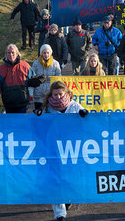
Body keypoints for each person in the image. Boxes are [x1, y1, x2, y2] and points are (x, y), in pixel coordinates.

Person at [38, 81, 88, 221]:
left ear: (66, 93)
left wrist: (83, 113)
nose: (58, 97)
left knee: (71, 177)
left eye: (61, 94)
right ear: (51, 94)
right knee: (55, 179)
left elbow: (83, 113)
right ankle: (59, 214)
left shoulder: (73, 105)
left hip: (71, 149)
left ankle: (68, 198)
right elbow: (39, 122)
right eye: (55, 94)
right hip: (53, 148)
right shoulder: (48, 107)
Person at [0, 44, 45, 113]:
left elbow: (32, 81)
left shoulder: (25, 66)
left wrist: (37, 81)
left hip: (22, 104)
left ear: (17, 53)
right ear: (6, 54)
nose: (11, 55)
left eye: (13, 52)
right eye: (8, 53)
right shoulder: (1, 69)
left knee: (21, 123)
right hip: (8, 105)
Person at [32, 44, 62, 110]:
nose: (46, 55)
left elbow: (58, 78)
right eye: (44, 53)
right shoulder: (36, 63)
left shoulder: (55, 64)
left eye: (48, 53)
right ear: (41, 53)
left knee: (50, 114)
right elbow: (32, 77)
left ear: (50, 53)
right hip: (38, 94)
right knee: (38, 114)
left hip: (51, 94)